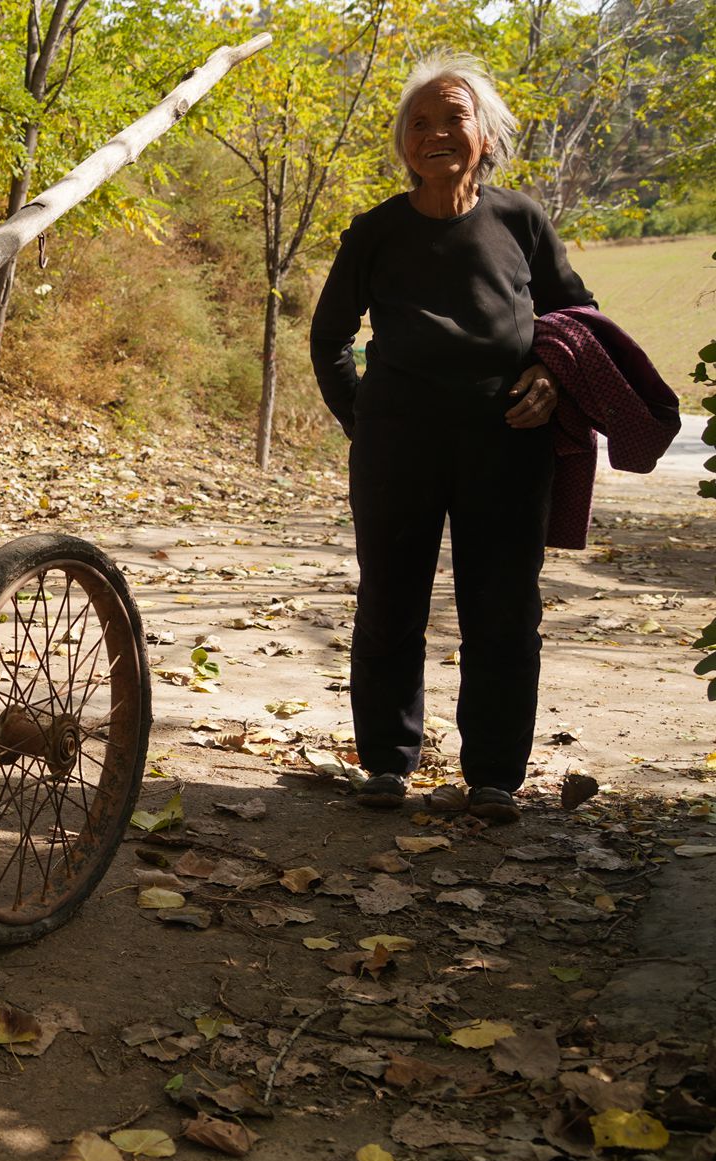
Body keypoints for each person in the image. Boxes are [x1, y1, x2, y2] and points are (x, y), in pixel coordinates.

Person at [308, 53, 595, 825]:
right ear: (403, 143)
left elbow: (578, 321)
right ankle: (385, 764)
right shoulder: (375, 232)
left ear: (486, 136)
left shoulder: (520, 222)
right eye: (418, 123)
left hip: (508, 445)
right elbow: (330, 337)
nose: (434, 133)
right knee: (390, 600)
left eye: (452, 119)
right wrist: (362, 419)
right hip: (397, 447)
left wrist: (555, 378)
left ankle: (495, 775)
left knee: (503, 608)